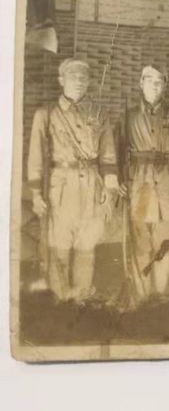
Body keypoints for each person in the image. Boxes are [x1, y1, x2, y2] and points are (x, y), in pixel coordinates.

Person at [26, 58, 121, 301]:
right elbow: (35, 158)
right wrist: (36, 194)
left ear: (89, 82)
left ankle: (80, 300)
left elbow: (108, 155)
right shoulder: (46, 114)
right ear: (61, 80)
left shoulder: (99, 113)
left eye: (83, 77)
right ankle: (60, 302)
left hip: (91, 187)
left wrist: (109, 188)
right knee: (59, 247)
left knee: (86, 247)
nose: (78, 81)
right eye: (72, 76)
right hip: (61, 187)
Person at [119, 64, 169, 298]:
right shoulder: (129, 116)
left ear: (164, 86)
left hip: (167, 185)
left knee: (166, 240)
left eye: (160, 82)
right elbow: (118, 151)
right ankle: (142, 297)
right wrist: (121, 180)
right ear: (141, 83)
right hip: (141, 186)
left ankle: (158, 296)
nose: (155, 85)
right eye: (150, 80)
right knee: (141, 239)